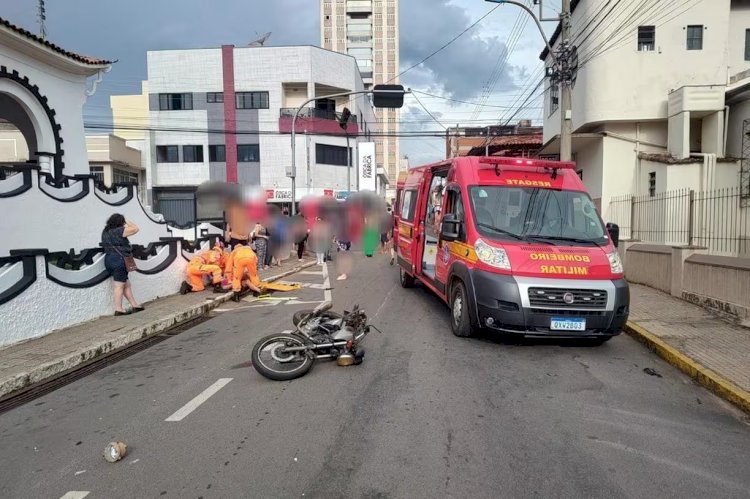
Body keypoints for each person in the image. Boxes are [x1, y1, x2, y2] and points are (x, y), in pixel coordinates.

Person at [101, 214, 143, 316]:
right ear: (120, 222)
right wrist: (126, 220)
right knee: (119, 285)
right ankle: (119, 309)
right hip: (119, 259)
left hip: (109, 259)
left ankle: (134, 305)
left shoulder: (105, 232)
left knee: (126, 284)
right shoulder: (119, 231)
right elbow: (136, 229)